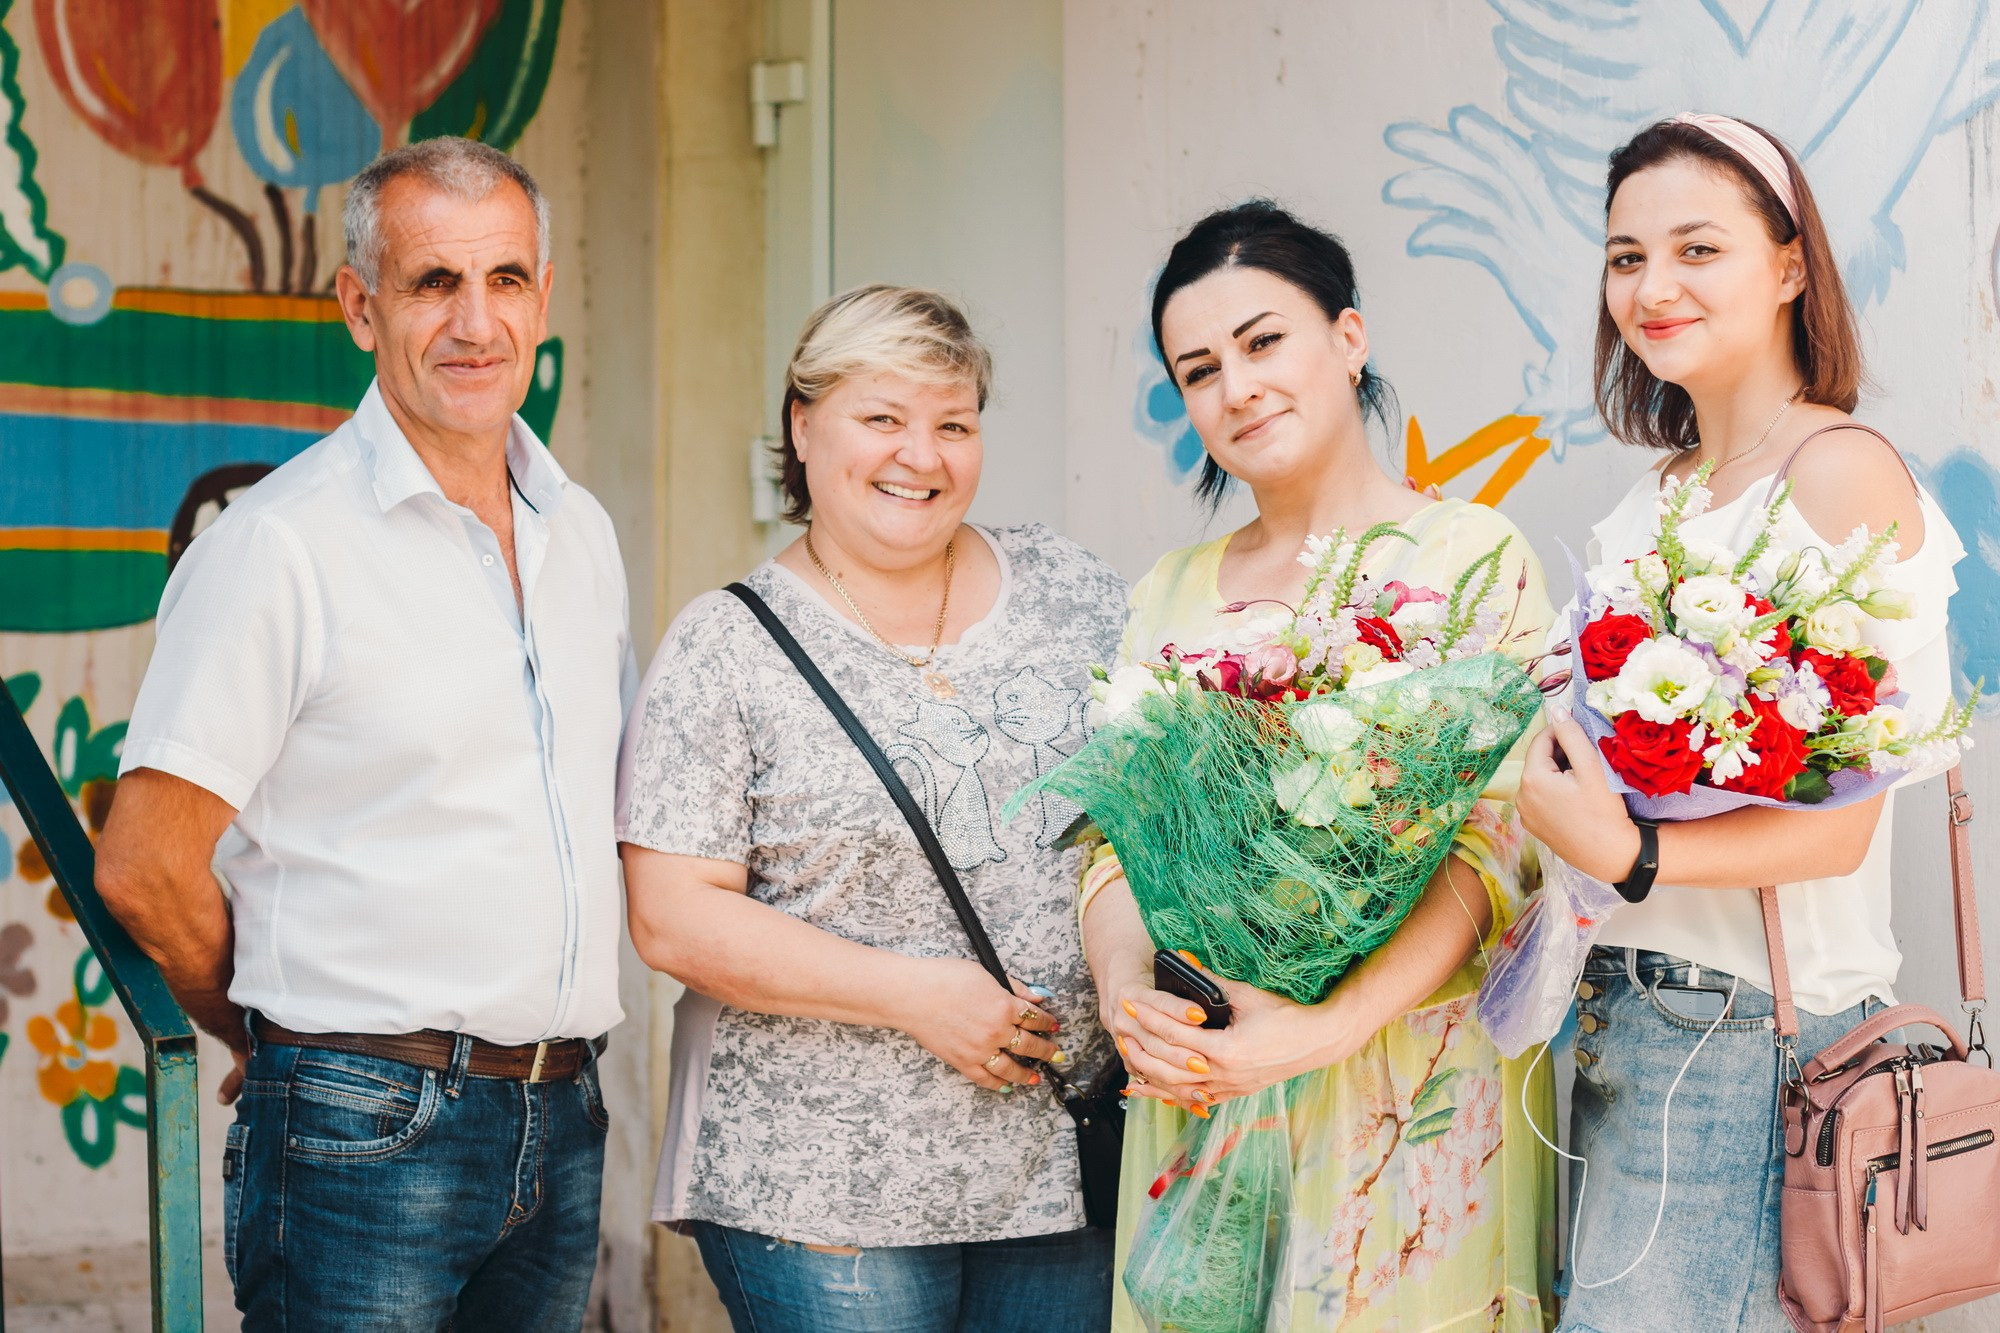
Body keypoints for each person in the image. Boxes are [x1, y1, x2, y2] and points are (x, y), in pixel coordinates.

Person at [93, 137, 634, 1331]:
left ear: (543, 296)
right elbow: (143, 863)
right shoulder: (278, 546)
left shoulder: (578, 531)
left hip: (561, 1109)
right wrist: (277, 1038)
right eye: (431, 281)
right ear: (359, 305)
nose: (473, 321)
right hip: (360, 1122)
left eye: (503, 279)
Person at [1517, 115, 1965, 1333]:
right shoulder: (1650, 499)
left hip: (1742, 1037)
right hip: (1631, 1014)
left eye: (1693, 249)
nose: (1650, 288)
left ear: (1786, 266)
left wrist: (1635, 850)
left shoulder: (1835, 474)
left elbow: (1838, 830)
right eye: (1622, 257)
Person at [616, 284, 1123, 1332]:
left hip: (1059, 1164)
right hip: (818, 1194)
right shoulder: (726, 646)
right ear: (802, 428)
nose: (920, 455)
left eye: (952, 423)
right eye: (881, 418)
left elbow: (1137, 828)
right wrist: (916, 995)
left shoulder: (1072, 590)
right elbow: (672, 913)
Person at [1088, 200, 1557, 1330]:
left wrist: (1320, 1029)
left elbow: (1500, 847)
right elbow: (1110, 842)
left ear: (1346, 338)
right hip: (1204, 1090)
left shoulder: (1469, 558)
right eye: (1197, 370)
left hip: (1404, 1082)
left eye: (1261, 342)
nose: (1235, 388)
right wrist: (1119, 993)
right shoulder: (1167, 591)